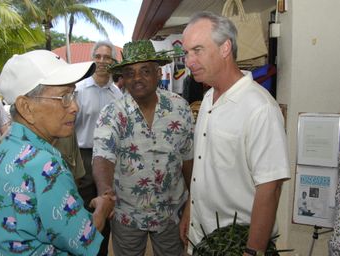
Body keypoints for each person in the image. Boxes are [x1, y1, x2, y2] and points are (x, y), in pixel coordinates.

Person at [0, 50, 114, 255]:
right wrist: (102, 208)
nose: (75, 107)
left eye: (74, 94)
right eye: (64, 97)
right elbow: (84, 238)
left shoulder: (4, 147)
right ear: (26, 107)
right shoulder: (44, 166)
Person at [180, 11, 291, 256]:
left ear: (225, 48)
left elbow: (270, 188)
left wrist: (253, 251)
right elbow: (201, 167)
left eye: (197, 50)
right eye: (186, 53)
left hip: (235, 244)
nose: (188, 61)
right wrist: (190, 210)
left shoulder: (260, 108)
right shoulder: (208, 97)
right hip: (200, 240)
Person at [92, 40, 194, 256]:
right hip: (128, 213)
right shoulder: (112, 113)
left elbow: (188, 157)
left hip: (171, 211)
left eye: (145, 71)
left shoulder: (180, 107)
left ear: (158, 73)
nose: (137, 78)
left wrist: (193, 200)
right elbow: (102, 156)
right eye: (129, 73)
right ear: (123, 78)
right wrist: (105, 193)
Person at [74, 40, 123, 255]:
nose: (102, 61)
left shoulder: (119, 95)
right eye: (99, 57)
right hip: (84, 157)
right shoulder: (79, 90)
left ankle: (101, 251)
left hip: (111, 160)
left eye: (107, 57)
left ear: (113, 62)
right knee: (84, 209)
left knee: (107, 205)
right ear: (93, 59)